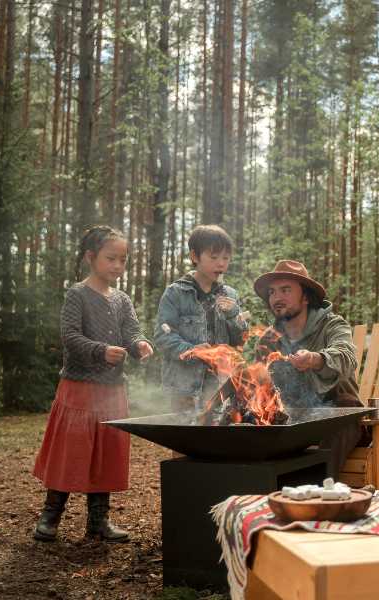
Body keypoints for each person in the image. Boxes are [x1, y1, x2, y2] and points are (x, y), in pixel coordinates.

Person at [32, 225, 153, 542]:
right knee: (71, 451)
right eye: (110, 258)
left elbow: (132, 332)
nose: (117, 266)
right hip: (80, 388)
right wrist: (100, 351)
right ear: (91, 257)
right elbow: (70, 337)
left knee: (107, 451)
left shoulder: (123, 300)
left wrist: (140, 346)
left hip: (112, 390)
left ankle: (98, 521)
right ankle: (50, 517)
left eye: (122, 260)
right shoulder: (77, 294)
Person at [253, 260, 362, 473]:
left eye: (286, 290)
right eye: (273, 292)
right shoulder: (267, 341)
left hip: (337, 414)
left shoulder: (332, 325)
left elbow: (347, 357)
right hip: (291, 419)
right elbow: (260, 391)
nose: (277, 298)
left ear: (305, 297)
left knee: (341, 418)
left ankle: (312, 492)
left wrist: (315, 359)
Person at [154, 225, 248, 412]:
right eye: (214, 257)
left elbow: (241, 340)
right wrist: (192, 351)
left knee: (216, 436)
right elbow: (162, 336)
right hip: (184, 389)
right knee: (186, 438)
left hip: (220, 387)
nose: (221, 264)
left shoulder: (230, 295)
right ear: (195, 257)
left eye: (225, 258)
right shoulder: (176, 293)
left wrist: (232, 315)